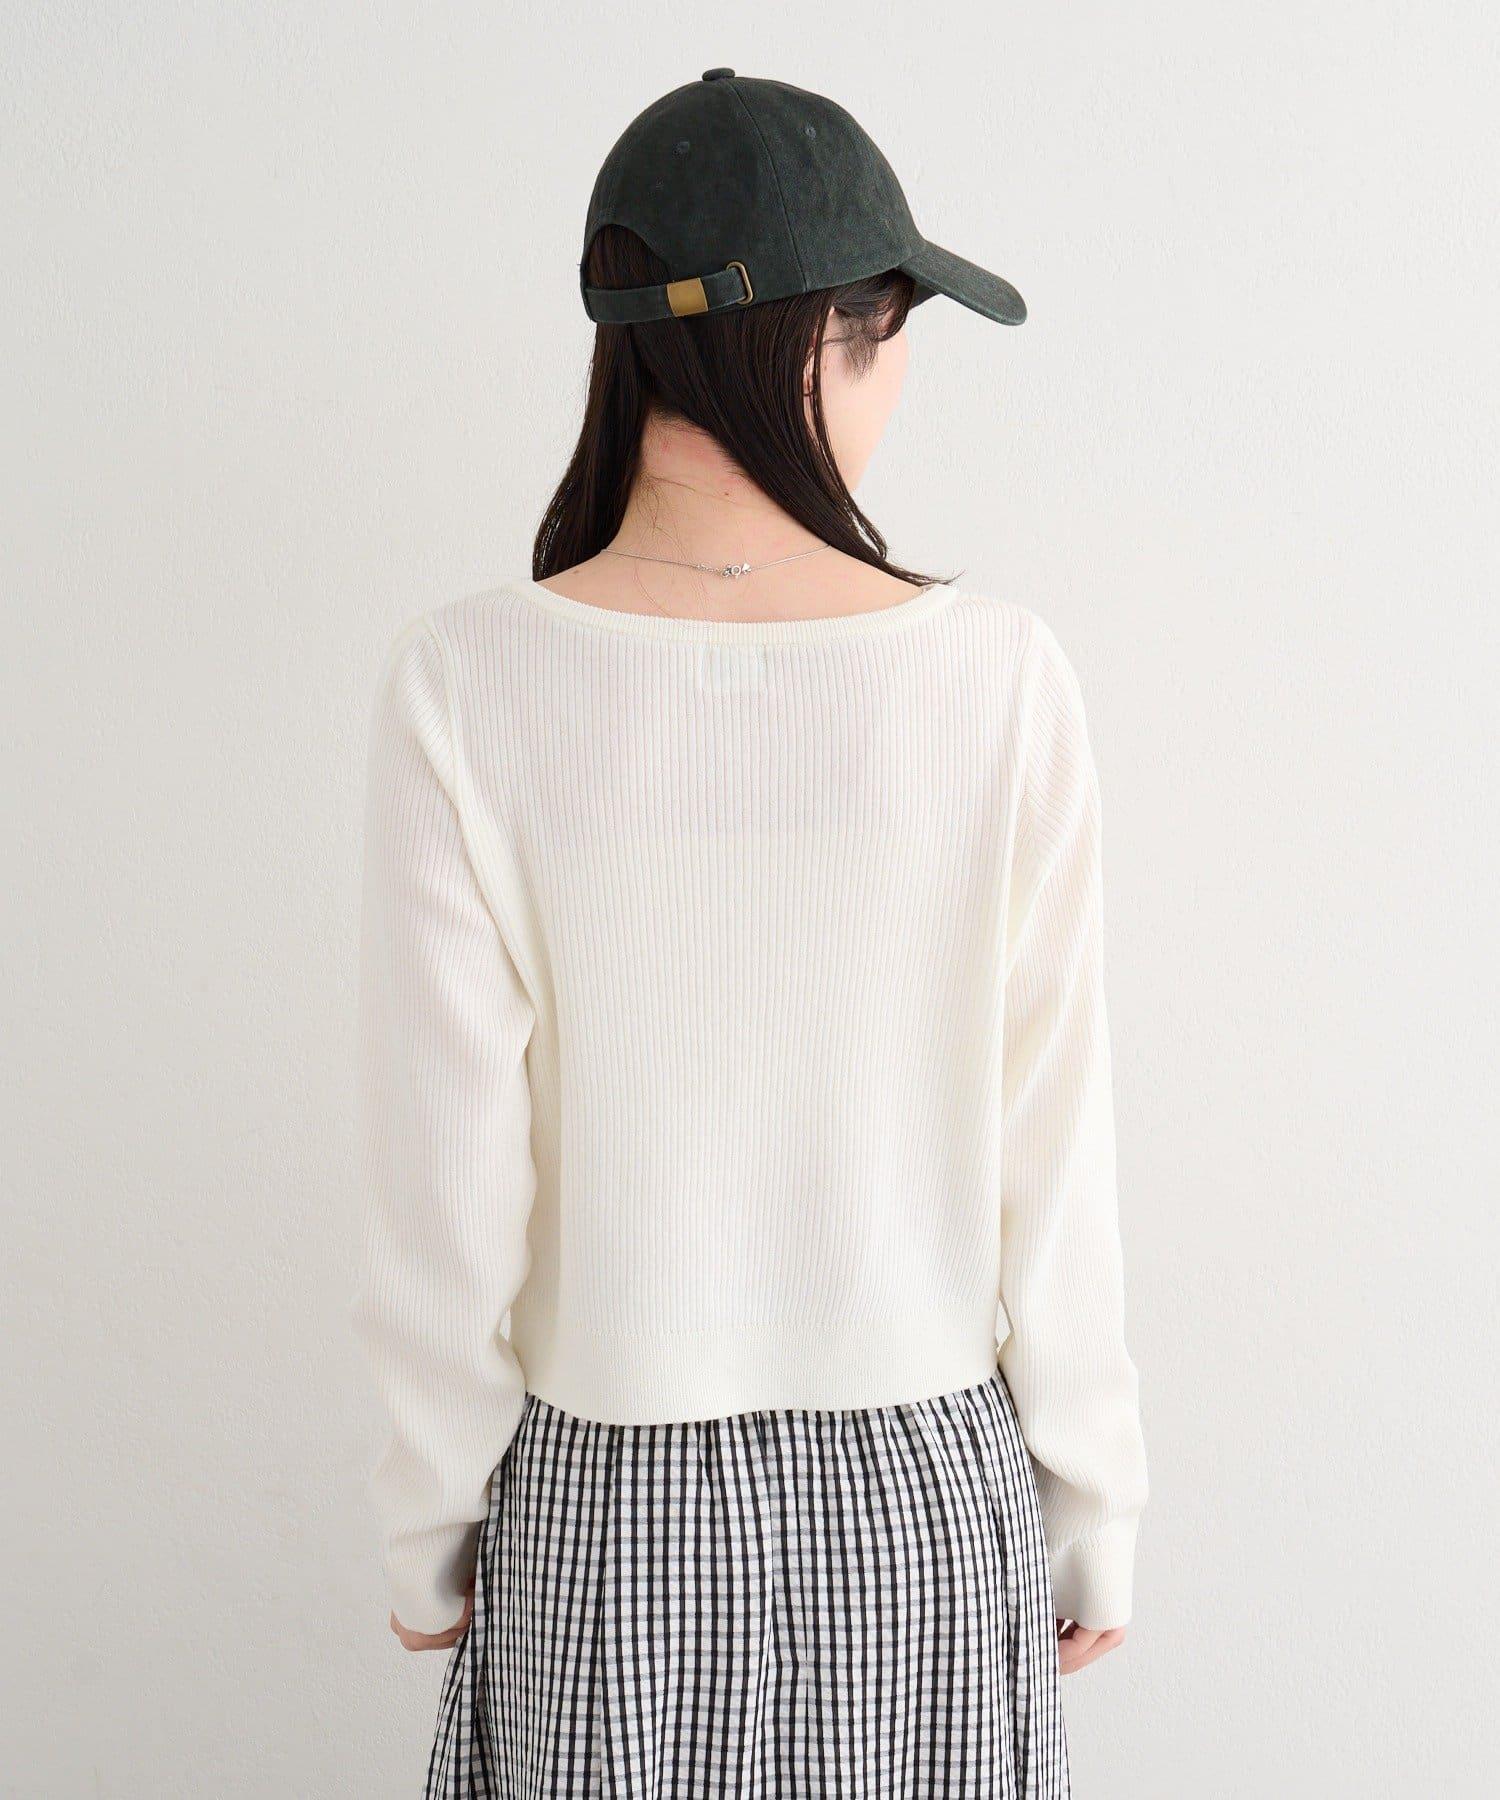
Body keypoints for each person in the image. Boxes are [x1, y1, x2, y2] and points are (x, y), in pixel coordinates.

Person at [355, 69, 1148, 1799]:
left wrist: (428, 1523)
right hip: (928, 1515)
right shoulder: (999, 678)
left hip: (601, 1522)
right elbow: (1054, 1149)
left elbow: (446, 1185)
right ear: (828, 339)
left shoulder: (467, 684)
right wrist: (1093, 1503)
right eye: (898, 330)